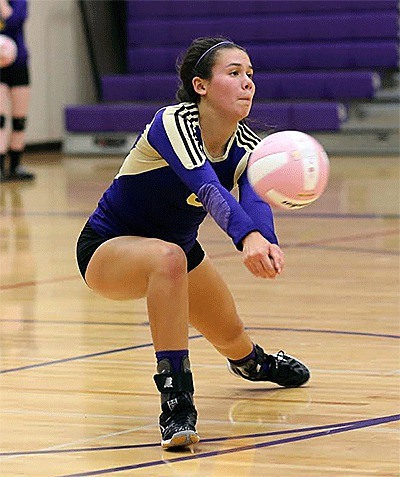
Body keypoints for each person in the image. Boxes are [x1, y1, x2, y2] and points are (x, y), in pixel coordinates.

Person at [76, 37, 310, 450]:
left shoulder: (248, 146)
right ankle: (177, 402)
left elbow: (255, 200)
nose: (247, 83)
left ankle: (251, 363)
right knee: (167, 257)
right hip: (108, 248)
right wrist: (247, 239)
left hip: (180, 253)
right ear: (201, 85)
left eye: (250, 74)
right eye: (234, 73)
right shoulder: (174, 122)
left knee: (231, 335)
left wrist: (265, 239)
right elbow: (207, 188)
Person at [0, 0, 34, 182]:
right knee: (0, 118)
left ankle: (15, 165)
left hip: (18, 63)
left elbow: (15, 21)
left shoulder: (19, 1)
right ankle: (0, 166)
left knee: (19, 119)